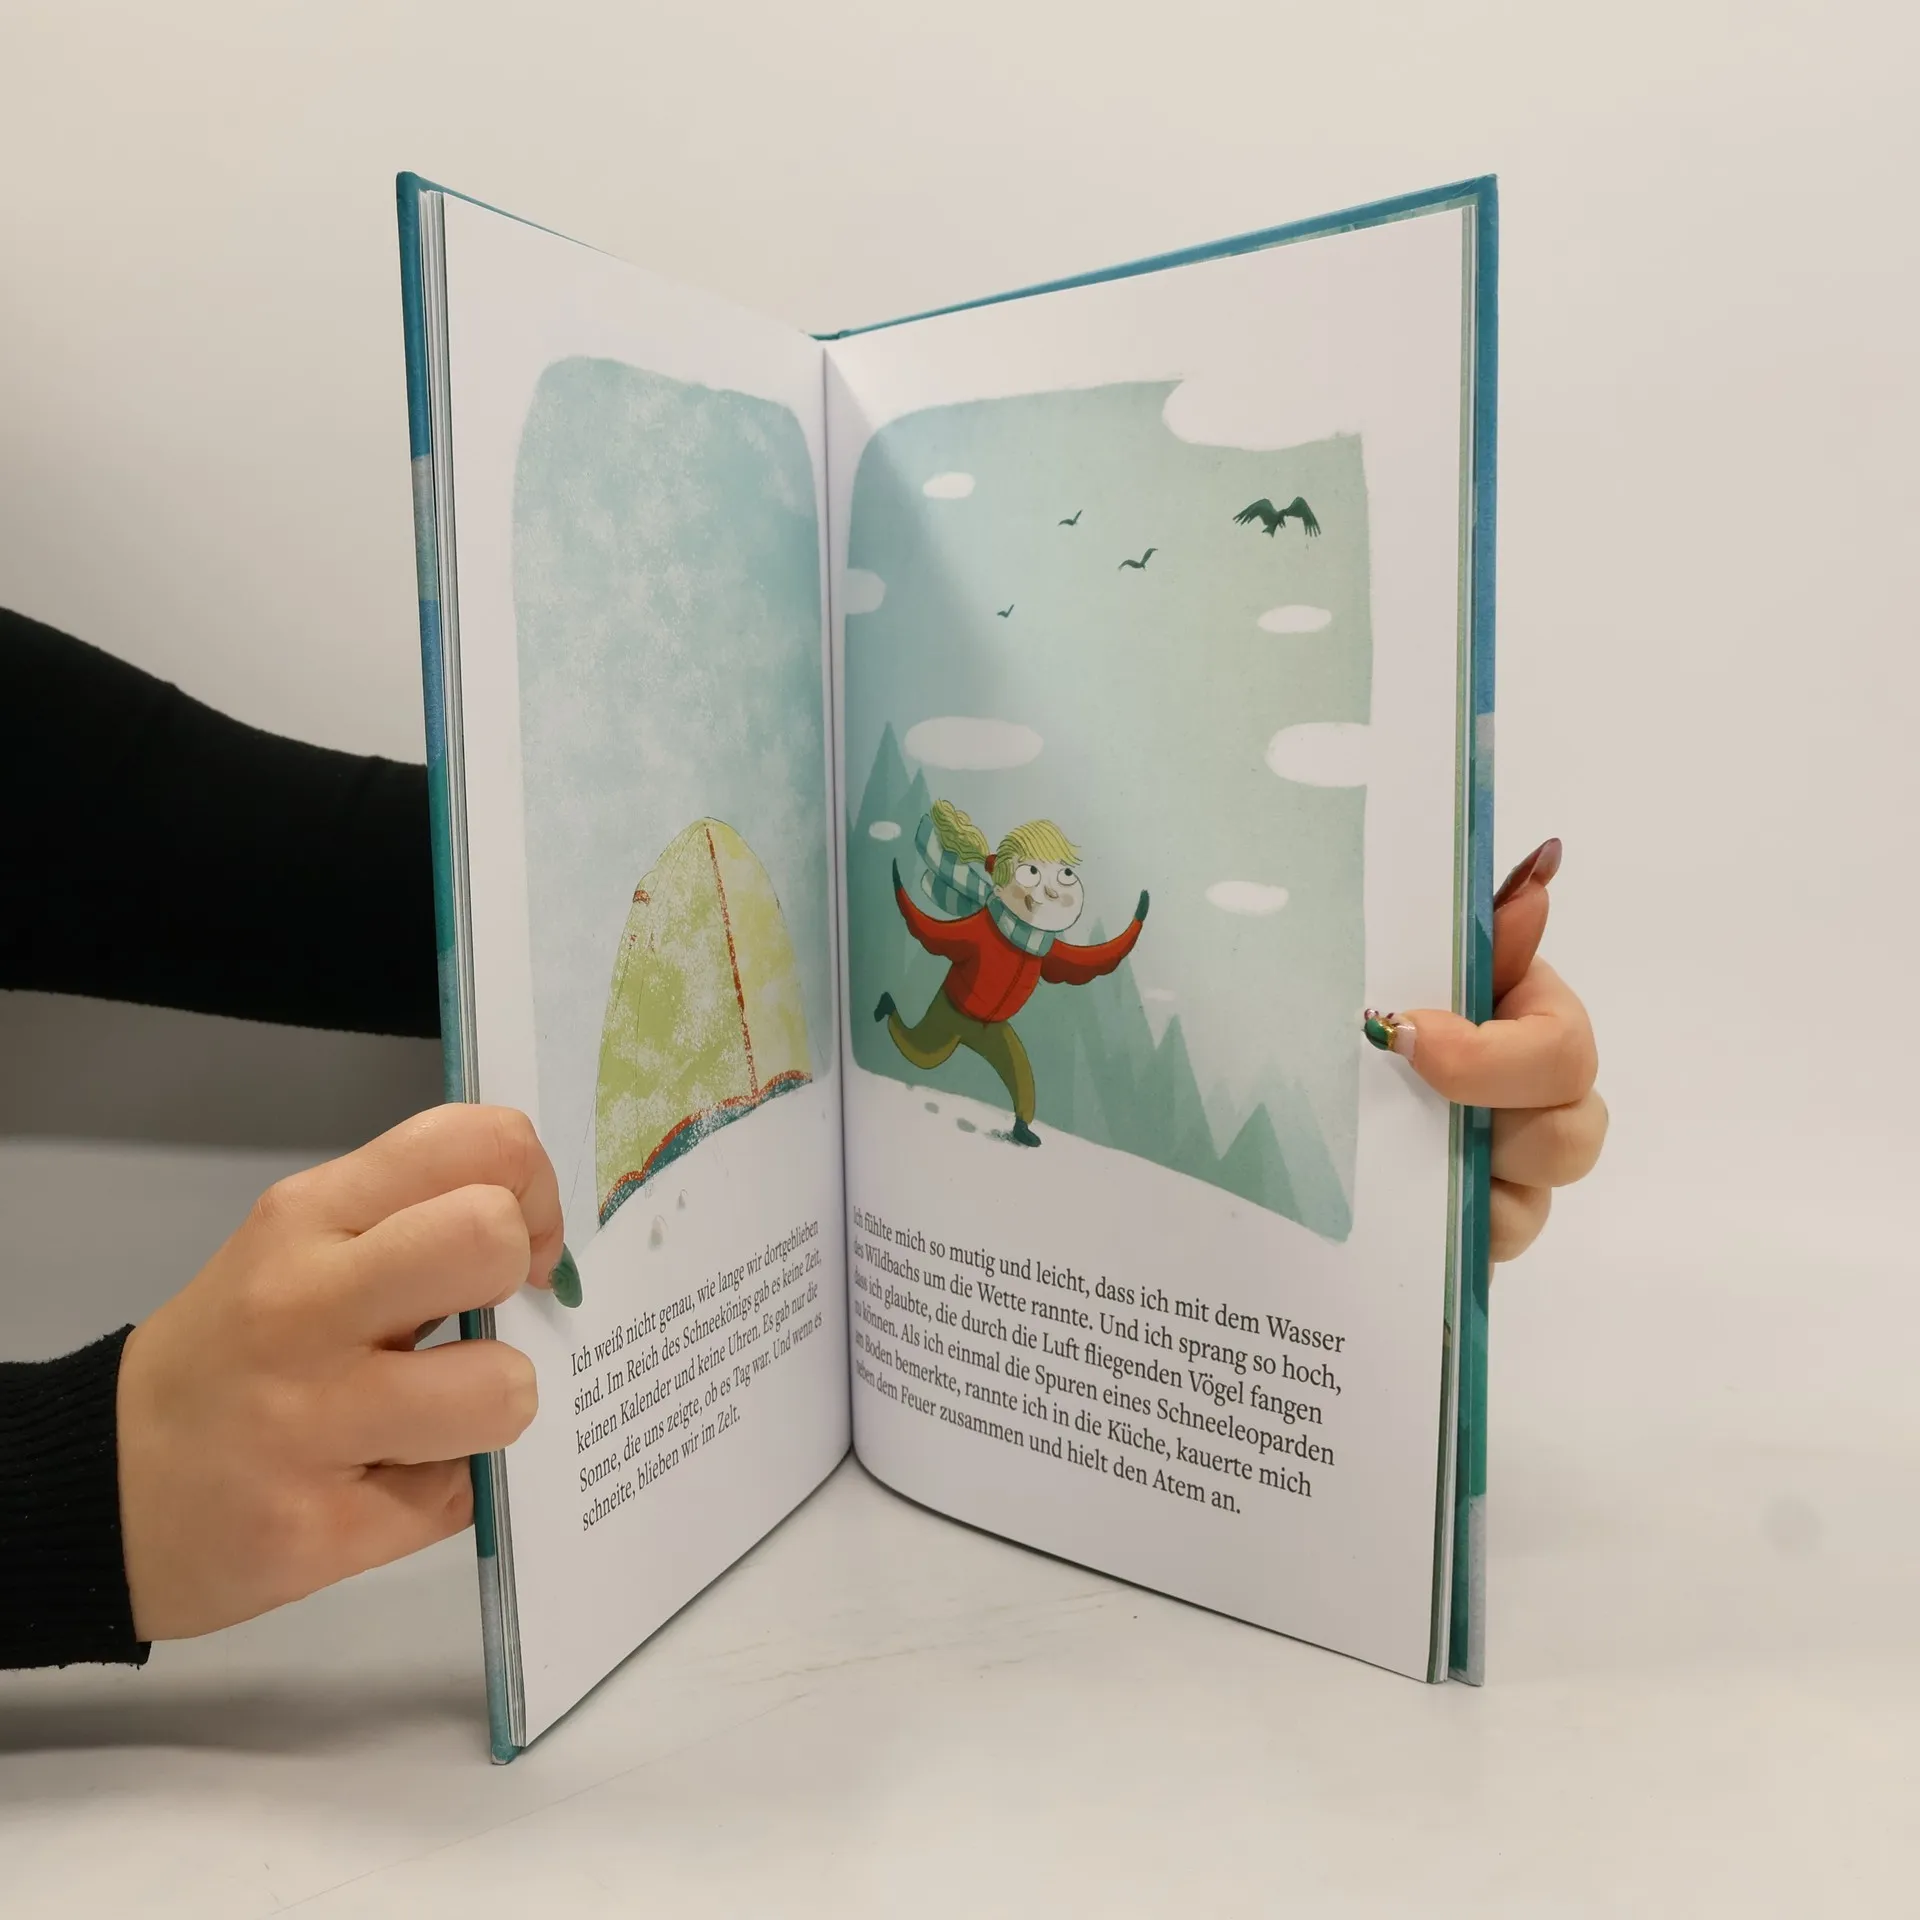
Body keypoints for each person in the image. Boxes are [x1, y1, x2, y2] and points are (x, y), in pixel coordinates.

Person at [0, 608, 1605, 1671]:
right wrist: (83, 1490)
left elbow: (195, 841)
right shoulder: (982, 920)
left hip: (984, 1053)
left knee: (995, 1067)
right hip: (942, 1023)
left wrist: (1335, 1002)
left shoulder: (1036, 929)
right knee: (949, 1039)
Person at [877, 800, 1148, 1146]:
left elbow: (1090, 960)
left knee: (1019, 1071)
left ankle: (1022, 1123)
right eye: (1031, 872)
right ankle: (890, 1013)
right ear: (1002, 883)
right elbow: (934, 933)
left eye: (1063, 874)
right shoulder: (983, 926)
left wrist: (1134, 927)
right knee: (923, 1054)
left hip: (994, 1026)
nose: (1050, 889)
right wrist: (903, 897)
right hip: (952, 1010)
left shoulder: (1042, 947)